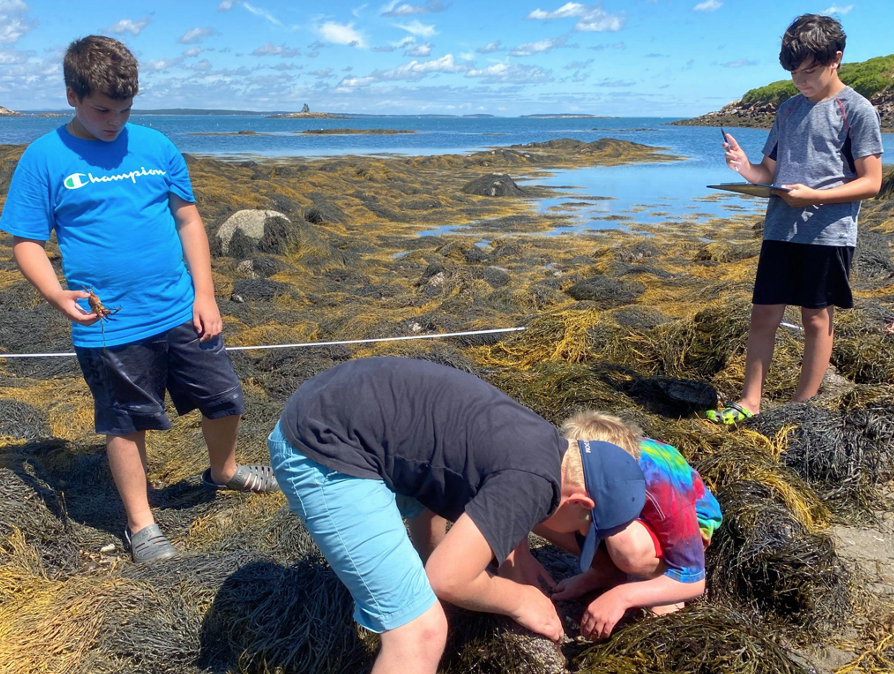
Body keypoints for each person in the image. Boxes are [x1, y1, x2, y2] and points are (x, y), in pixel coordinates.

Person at [0, 36, 279, 564]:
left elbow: (188, 220)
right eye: (103, 110)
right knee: (125, 423)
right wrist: (56, 293)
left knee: (224, 399)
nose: (114, 122)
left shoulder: (155, 147)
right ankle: (142, 524)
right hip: (111, 323)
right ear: (71, 95)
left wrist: (206, 294)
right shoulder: (43, 159)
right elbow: (27, 243)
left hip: (180, 307)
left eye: (125, 110)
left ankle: (223, 470)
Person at [268, 357, 646, 674]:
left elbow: (474, 485)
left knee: (438, 528)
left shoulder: (547, 446)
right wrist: (520, 600)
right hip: (322, 446)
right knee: (421, 631)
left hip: (344, 401)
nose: (574, 539)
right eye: (585, 532)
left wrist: (518, 557)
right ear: (581, 502)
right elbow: (445, 578)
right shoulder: (534, 483)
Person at [705, 14, 884, 424]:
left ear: (836, 58)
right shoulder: (787, 110)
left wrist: (815, 197)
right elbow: (768, 174)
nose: (801, 81)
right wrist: (744, 168)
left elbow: (872, 182)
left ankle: (800, 409)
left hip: (828, 233)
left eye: (810, 71)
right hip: (780, 228)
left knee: (816, 318)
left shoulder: (856, 109)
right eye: (793, 73)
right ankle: (749, 402)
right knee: (763, 313)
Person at [543, 411, 722, 640]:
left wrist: (622, 596)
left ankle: (660, 582)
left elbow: (694, 579)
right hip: (616, 506)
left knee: (626, 545)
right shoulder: (582, 469)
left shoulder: (660, 483)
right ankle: (606, 572)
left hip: (687, 522)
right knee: (545, 511)